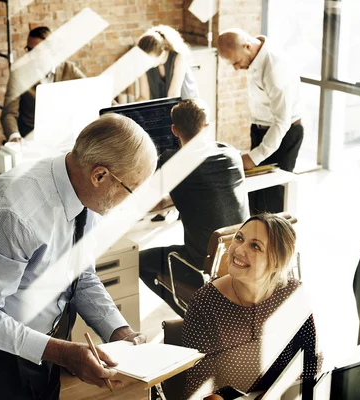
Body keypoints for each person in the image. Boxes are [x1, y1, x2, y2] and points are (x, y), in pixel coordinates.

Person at [0, 114, 158, 399]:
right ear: (99, 175)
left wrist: (119, 331)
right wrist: (63, 353)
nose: (132, 201)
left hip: (39, 344)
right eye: (132, 189)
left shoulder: (85, 192)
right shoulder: (15, 214)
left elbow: (79, 274)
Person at [182, 214, 321, 400]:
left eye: (255, 246)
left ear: (276, 263)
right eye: (239, 238)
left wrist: (282, 395)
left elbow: (311, 359)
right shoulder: (204, 303)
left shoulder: (291, 293)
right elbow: (200, 386)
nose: (239, 249)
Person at [139, 99, 249, 316]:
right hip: (242, 254)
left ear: (174, 130)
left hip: (202, 260)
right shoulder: (231, 153)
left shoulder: (172, 161)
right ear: (207, 126)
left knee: (138, 262)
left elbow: (148, 202)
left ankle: (195, 315)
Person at [217, 29, 304, 214]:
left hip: (284, 134)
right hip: (261, 129)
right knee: (255, 195)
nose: (236, 68)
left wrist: (254, 156)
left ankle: (275, 242)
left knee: (273, 199)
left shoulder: (274, 66)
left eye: (237, 62)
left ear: (247, 46)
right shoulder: (253, 55)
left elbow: (282, 121)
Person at [0, 26, 86, 142]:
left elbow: (93, 92)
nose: (31, 55)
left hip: (64, 137)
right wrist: (14, 136)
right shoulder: (19, 74)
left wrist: (117, 111)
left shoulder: (68, 69)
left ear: (52, 51)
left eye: (37, 51)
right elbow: (9, 113)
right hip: (31, 138)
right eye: (29, 50)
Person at [137, 25, 198, 101]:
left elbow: (173, 96)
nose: (146, 62)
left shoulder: (179, 57)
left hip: (186, 107)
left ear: (162, 50)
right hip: (164, 107)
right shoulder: (144, 63)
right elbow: (144, 96)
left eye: (149, 58)